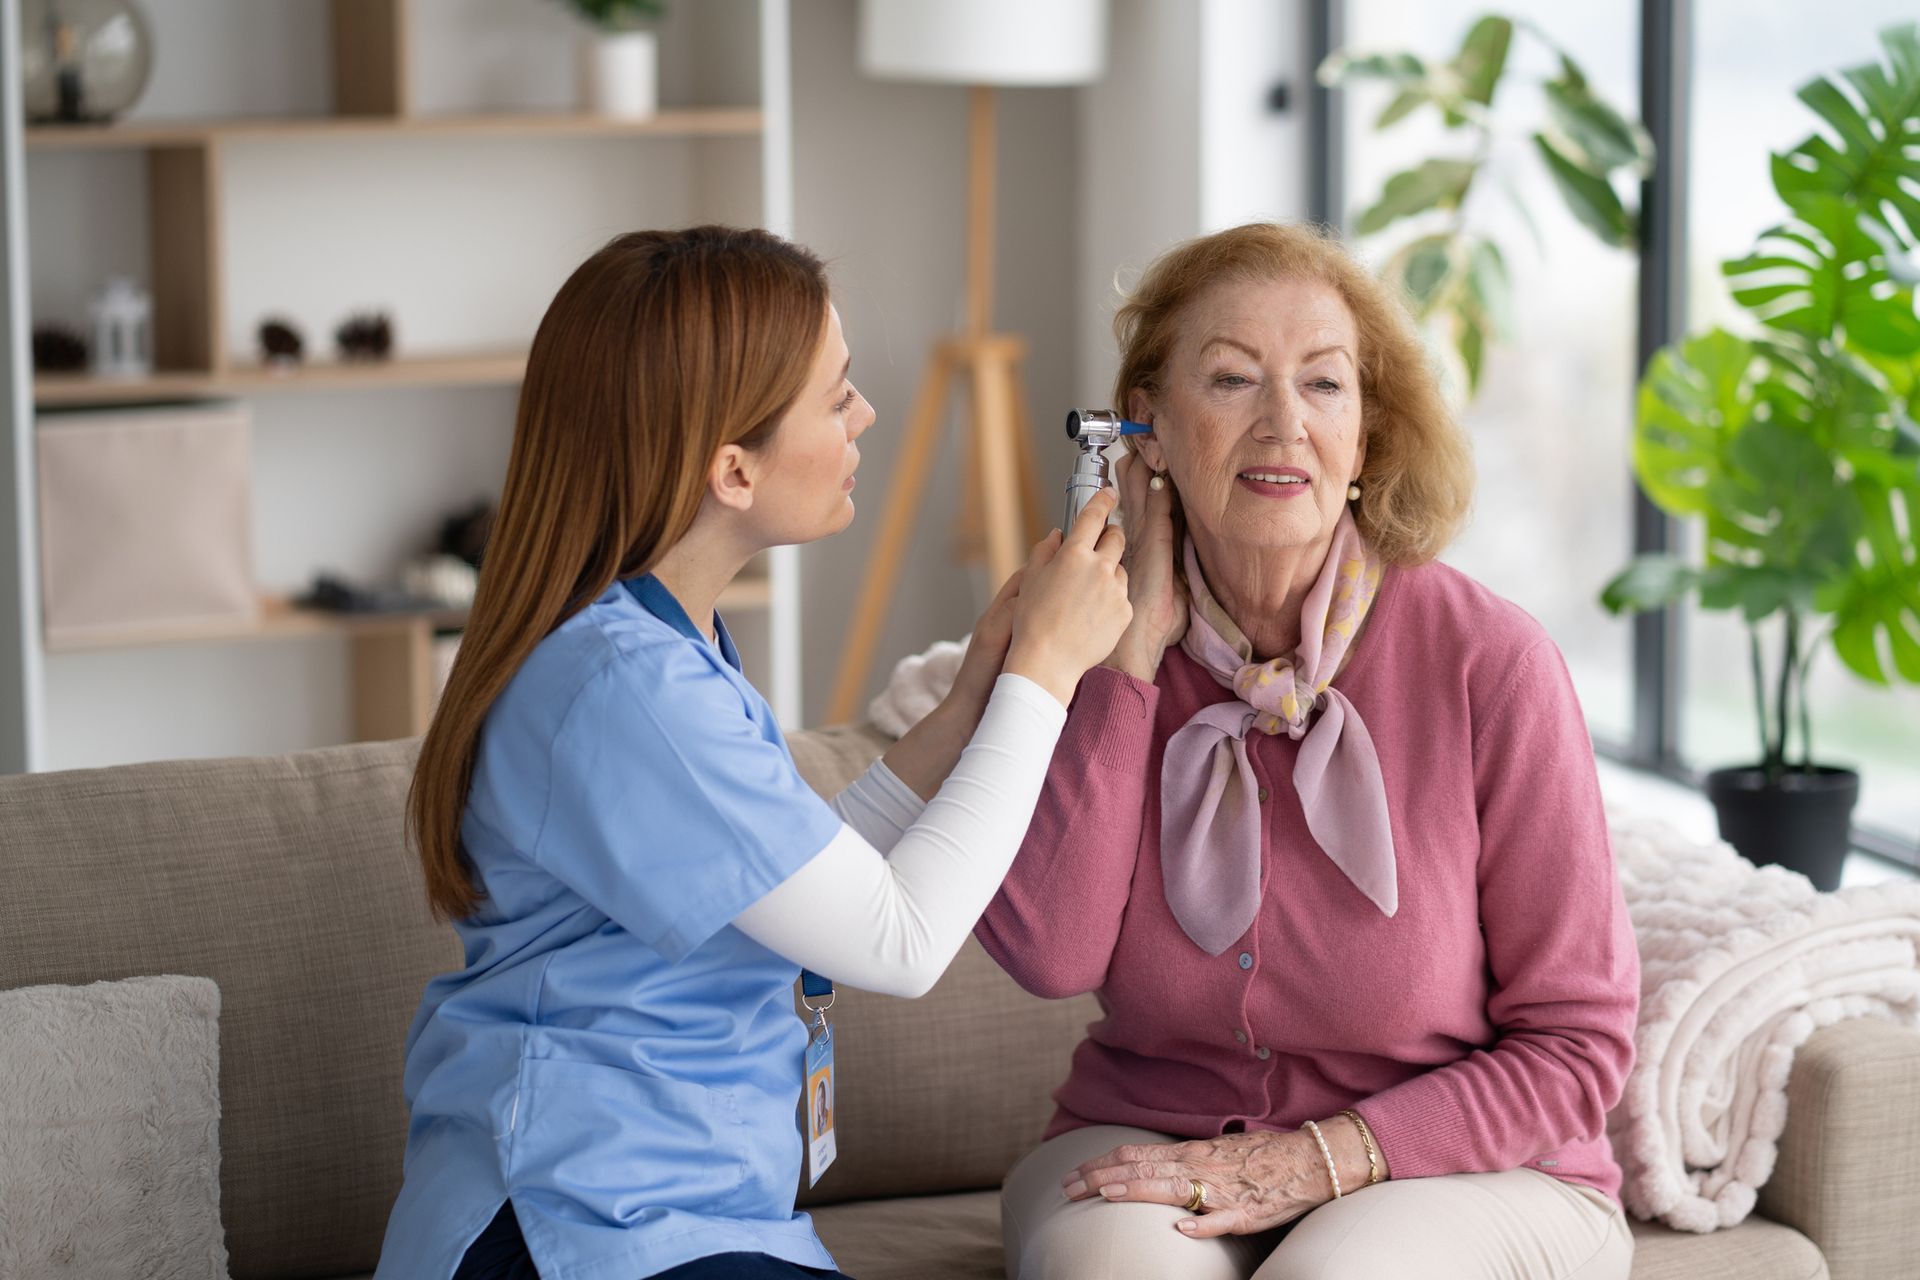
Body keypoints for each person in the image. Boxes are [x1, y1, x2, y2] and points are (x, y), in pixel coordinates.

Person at [372, 225, 1131, 1280]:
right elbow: (899, 939)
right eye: (839, 395)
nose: (866, 413)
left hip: (680, 1212)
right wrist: (1045, 674)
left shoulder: (661, 647)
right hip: (577, 1227)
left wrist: (974, 698)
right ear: (733, 466)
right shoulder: (625, 690)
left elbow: (801, 876)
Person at [976, 222, 1640, 1280]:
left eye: (1325, 386)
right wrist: (1130, 660)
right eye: (1233, 378)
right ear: (1146, 420)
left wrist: (1325, 1158)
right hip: (1157, 1133)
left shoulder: (1492, 663)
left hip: (1465, 1168)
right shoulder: (1081, 634)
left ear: (1367, 435)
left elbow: (1579, 1047)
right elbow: (1049, 953)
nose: (1284, 422)